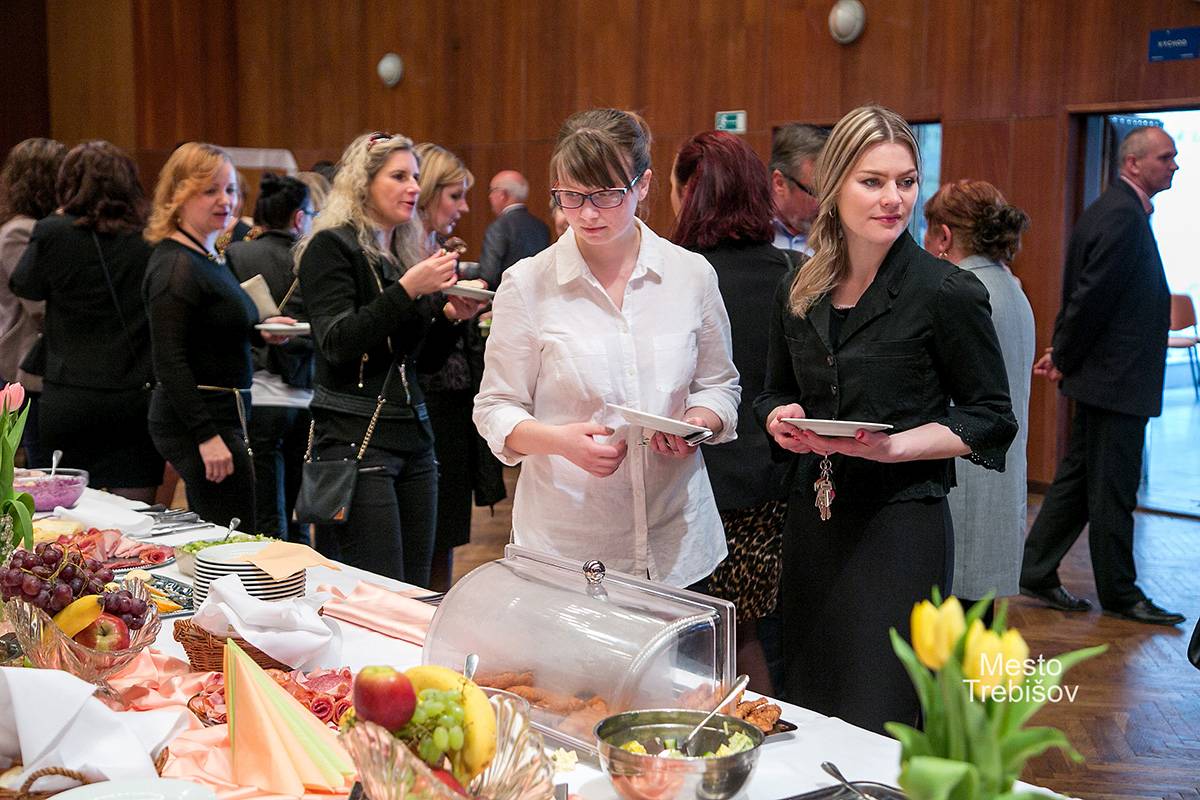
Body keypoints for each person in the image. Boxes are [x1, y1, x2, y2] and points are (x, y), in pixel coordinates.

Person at [754, 106, 1016, 734]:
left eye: (906, 181)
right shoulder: (800, 288)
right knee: (810, 698)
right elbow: (772, 392)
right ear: (835, 184)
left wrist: (897, 448)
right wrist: (779, 418)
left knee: (880, 711)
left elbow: (990, 417)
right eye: (873, 181)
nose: (893, 198)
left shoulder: (945, 291)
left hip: (899, 528)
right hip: (812, 521)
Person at [474, 108, 740, 588]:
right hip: (569, 544)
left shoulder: (690, 274)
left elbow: (720, 385)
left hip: (676, 536)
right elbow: (495, 407)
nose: (588, 214)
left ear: (643, 184)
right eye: (571, 196)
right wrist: (560, 442)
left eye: (606, 194)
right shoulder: (528, 283)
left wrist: (700, 422)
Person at [295, 132, 483, 585]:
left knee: (414, 588)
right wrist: (408, 290)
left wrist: (451, 317)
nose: (413, 187)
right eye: (399, 176)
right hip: (355, 438)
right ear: (363, 183)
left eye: (415, 177)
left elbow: (419, 362)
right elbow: (338, 342)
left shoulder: (400, 255)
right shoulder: (331, 247)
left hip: (413, 437)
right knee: (376, 588)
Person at [1020, 126, 1184, 627]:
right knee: (1113, 489)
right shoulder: (1121, 215)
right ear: (1133, 163)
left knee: (1077, 481)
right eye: (1166, 157)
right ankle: (1120, 594)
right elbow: (1091, 297)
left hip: (1107, 377)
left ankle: (1035, 568)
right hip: (1115, 381)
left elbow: (1094, 296)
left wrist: (1065, 353)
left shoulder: (1117, 209)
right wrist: (1065, 355)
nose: (1175, 165)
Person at [669, 130, 795, 693]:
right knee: (749, 633)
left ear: (687, 193)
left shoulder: (675, 276)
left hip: (690, 478)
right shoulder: (792, 272)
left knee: (689, 638)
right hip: (771, 482)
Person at [143, 142, 295, 528]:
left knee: (236, 527)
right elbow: (169, 360)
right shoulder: (175, 265)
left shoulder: (208, 254)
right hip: (200, 420)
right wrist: (205, 436)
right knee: (230, 534)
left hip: (224, 414)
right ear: (178, 195)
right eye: (209, 190)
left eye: (230, 189)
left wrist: (263, 334)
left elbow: (215, 327)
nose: (225, 200)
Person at [10, 140, 163, 504]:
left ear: (67, 184)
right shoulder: (150, 238)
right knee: (137, 513)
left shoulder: (52, 231)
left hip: (69, 395)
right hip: (133, 395)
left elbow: (24, 284)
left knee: (65, 515)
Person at [923, 179, 1035, 626]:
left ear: (943, 236)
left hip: (965, 470)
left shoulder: (965, 291)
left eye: (927, 232)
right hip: (996, 470)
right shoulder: (1009, 285)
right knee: (976, 615)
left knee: (955, 618)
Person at [411, 142, 503, 591]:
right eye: (455, 196)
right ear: (427, 194)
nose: (464, 207)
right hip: (424, 407)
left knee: (444, 535)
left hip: (453, 405)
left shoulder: (437, 251)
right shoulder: (406, 258)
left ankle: (435, 614)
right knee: (423, 541)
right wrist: (448, 314)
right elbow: (416, 351)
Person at [226, 174, 315, 539]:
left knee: (265, 512)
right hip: (305, 396)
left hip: (256, 396)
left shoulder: (236, 254)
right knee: (300, 513)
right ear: (299, 217)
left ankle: (268, 572)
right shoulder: (313, 259)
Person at [0, 137, 65, 465]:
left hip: (40, 363)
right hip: (24, 362)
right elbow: (38, 304)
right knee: (43, 464)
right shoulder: (20, 231)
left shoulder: (39, 227)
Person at [478, 170, 550, 287]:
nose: (490, 196)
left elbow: (488, 275)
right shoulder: (542, 227)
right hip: (537, 295)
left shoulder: (499, 226)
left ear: (503, 194)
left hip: (506, 295)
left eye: (492, 191)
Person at [768, 123, 829, 255]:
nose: (824, 203)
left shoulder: (841, 237)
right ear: (779, 183)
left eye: (829, 192)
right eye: (814, 192)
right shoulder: (746, 234)